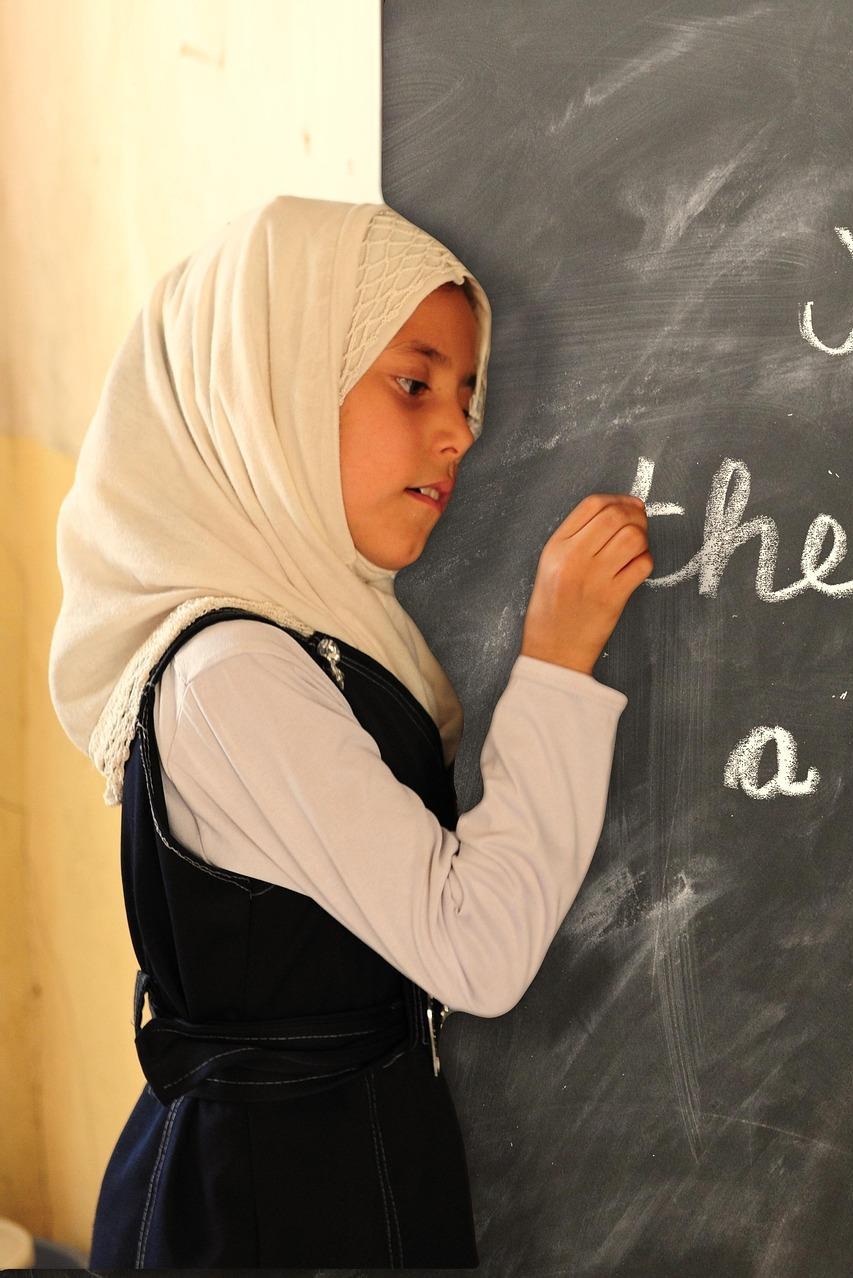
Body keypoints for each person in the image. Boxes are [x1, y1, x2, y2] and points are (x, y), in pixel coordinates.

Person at [46, 195, 653, 1268]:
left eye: (467, 391)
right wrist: (558, 659)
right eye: (413, 382)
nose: (461, 428)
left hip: (319, 1184)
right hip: (268, 1216)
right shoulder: (233, 677)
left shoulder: (297, 645)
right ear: (268, 387)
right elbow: (476, 948)